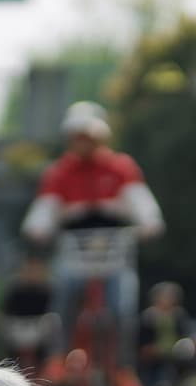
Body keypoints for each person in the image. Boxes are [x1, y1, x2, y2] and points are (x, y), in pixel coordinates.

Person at [19, 101, 163, 359]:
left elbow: (140, 202)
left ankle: (122, 365)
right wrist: (37, 228)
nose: (82, 143)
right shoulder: (59, 173)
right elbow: (45, 209)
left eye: (87, 137)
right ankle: (59, 356)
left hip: (114, 251)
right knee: (63, 299)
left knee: (123, 307)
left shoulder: (120, 167)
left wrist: (149, 222)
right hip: (75, 251)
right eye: (77, 138)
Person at [137, 282, 196, 386]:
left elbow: (187, 333)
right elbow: (140, 341)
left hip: (176, 354)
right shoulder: (148, 317)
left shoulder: (178, 315)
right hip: (156, 357)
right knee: (160, 379)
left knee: (185, 376)